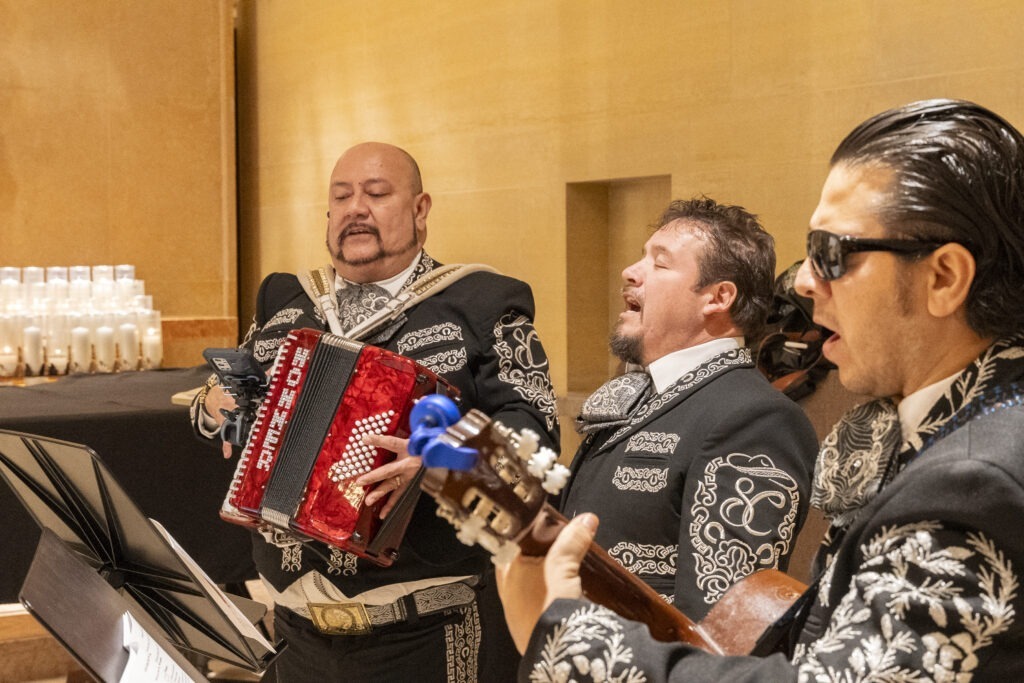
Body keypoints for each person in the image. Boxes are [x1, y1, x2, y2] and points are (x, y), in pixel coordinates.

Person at [501, 99, 1024, 681]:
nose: (802, 281)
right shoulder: (965, 429)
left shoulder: (975, 481)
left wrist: (570, 642)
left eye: (833, 253)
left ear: (944, 278)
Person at [190, 142, 559, 682]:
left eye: (377, 193)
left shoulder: (482, 305)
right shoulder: (285, 301)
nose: (355, 208)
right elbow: (220, 404)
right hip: (297, 632)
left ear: (420, 210)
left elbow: (539, 439)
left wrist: (446, 464)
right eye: (341, 197)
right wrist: (217, 407)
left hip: (430, 634)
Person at [559, 198, 818, 620]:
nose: (630, 271)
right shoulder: (633, 395)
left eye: (659, 264)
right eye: (641, 256)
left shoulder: (755, 418)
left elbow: (723, 624)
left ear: (718, 297)